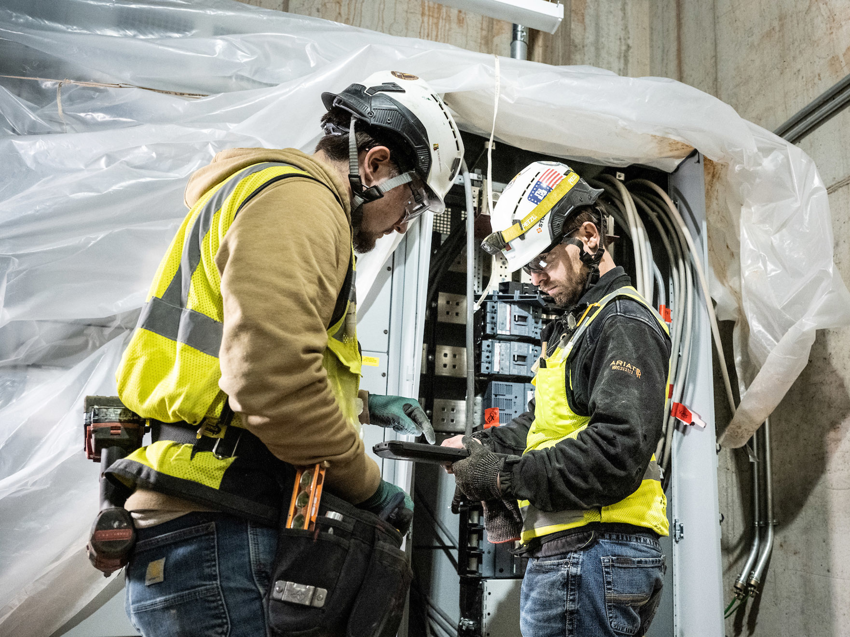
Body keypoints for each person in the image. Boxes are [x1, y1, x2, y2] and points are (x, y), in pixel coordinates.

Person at [104, 70, 464, 636]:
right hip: (226, 524)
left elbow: (238, 361)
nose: (402, 224)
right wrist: (369, 485)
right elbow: (271, 379)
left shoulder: (260, 194)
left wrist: (365, 404)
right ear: (374, 164)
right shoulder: (304, 201)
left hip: (198, 524)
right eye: (412, 200)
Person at [444, 161, 671, 637]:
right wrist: (484, 448)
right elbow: (542, 421)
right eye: (528, 267)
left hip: (595, 549)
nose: (534, 279)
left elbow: (617, 450)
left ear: (589, 237)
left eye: (542, 261)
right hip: (584, 550)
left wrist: (505, 477)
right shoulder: (577, 326)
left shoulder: (622, 322)